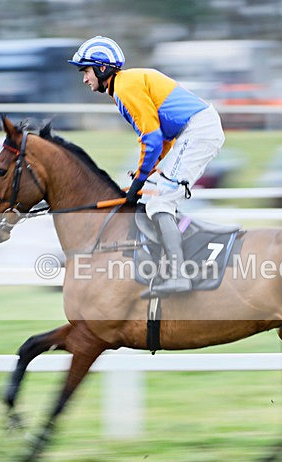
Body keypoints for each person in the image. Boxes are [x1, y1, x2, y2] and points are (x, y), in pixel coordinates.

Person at [69, 36, 225, 296]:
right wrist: (149, 173)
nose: (85, 79)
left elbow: (151, 137)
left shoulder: (124, 88)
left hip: (197, 131)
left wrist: (141, 178)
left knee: (160, 201)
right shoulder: (126, 84)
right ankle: (166, 262)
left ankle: (178, 275)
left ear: (102, 68)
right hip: (194, 130)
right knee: (156, 194)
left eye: (86, 71)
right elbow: (162, 136)